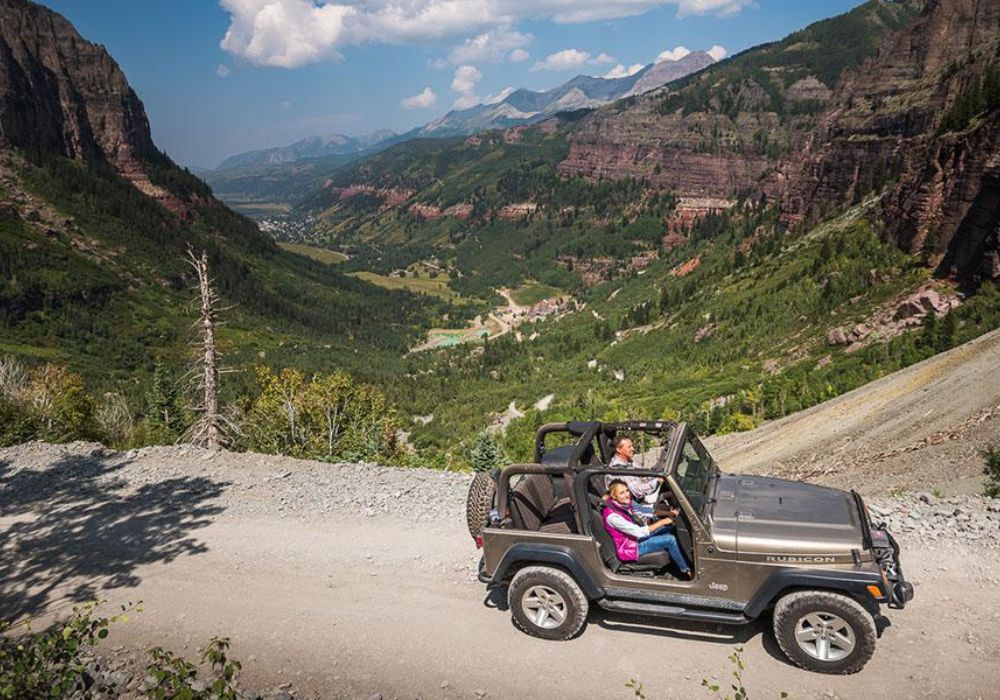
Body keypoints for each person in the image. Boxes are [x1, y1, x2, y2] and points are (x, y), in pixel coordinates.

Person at [602, 479, 691, 578]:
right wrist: (663, 521)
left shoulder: (624, 502)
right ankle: (686, 572)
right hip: (630, 547)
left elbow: (645, 510)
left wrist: (670, 514)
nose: (627, 494)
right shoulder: (613, 516)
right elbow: (639, 532)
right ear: (614, 496)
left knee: (671, 527)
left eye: (627, 490)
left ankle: (683, 559)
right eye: (622, 493)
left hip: (635, 539)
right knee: (670, 539)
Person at [605, 435, 662, 520]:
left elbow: (645, 474)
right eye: (629, 447)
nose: (633, 449)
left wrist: (658, 473)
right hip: (629, 509)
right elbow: (637, 491)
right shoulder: (619, 468)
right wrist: (658, 481)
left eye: (632, 446)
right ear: (619, 450)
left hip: (636, 503)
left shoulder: (629, 462)